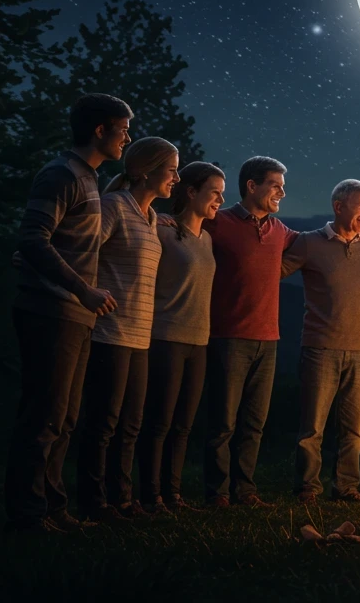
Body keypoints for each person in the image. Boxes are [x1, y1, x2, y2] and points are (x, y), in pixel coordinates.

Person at [6, 93, 131, 533]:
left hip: (73, 315)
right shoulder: (62, 174)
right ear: (100, 130)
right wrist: (84, 290)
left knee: (65, 418)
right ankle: (26, 514)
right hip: (51, 311)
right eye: (123, 129)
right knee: (44, 417)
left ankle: (54, 509)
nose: (127, 138)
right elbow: (33, 239)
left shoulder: (88, 179)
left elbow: (56, 242)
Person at [76, 137, 179, 522]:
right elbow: (83, 250)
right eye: (171, 170)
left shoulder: (150, 218)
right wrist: (88, 292)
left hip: (140, 335)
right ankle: (93, 501)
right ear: (145, 171)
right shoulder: (113, 207)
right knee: (103, 422)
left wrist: (161, 218)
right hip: (109, 331)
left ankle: (122, 498)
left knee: (130, 424)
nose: (177, 177)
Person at [201, 156, 298, 509]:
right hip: (226, 336)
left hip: (268, 339)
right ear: (251, 186)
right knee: (223, 422)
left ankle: (245, 491)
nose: (282, 193)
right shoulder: (218, 223)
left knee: (253, 423)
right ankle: (217, 493)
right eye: (275, 185)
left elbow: (319, 245)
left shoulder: (281, 231)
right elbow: (183, 231)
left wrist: (358, 236)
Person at [283, 179, 360, 503]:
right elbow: (274, 271)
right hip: (320, 347)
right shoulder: (309, 243)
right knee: (312, 427)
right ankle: (306, 489)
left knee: (353, 431)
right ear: (339, 206)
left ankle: (346, 487)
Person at [137, 162, 224, 513]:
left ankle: (173, 495)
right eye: (214, 192)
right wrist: (156, 218)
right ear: (191, 192)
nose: (220, 199)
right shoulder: (162, 230)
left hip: (199, 340)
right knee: (158, 421)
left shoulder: (208, 239)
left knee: (184, 425)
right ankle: (151, 495)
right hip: (166, 336)